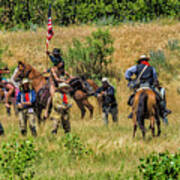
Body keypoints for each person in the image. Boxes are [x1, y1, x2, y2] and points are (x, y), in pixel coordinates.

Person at [125, 54, 171, 120]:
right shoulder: (152, 68)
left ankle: (132, 113)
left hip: (140, 86)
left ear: (140, 61)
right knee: (160, 97)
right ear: (147, 60)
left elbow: (127, 72)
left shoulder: (136, 67)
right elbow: (155, 77)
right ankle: (163, 111)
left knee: (132, 99)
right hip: (149, 86)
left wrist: (129, 79)